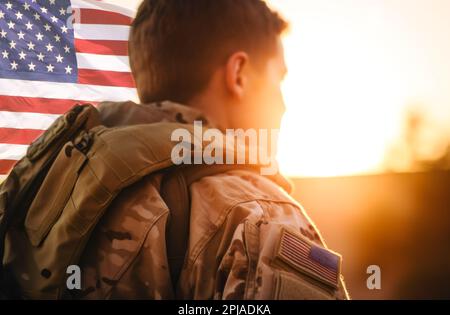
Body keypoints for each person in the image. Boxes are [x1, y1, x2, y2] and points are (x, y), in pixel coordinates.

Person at [77, 0, 349, 299]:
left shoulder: (71, 183)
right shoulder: (259, 215)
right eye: (278, 79)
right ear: (239, 74)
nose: (283, 104)